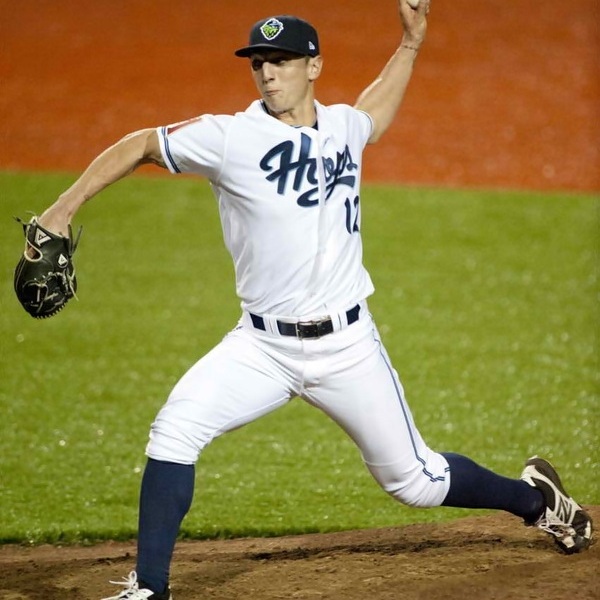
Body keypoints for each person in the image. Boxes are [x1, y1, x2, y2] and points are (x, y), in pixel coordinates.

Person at [34, 2, 592, 599]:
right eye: (258, 63)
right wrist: (60, 210)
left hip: (348, 348)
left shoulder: (342, 127)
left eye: (281, 60)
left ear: (314, 65)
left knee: (416, 481)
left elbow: (372, 113)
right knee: (174, 430)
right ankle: (150, 588)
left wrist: (410, 42)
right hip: (261, 347)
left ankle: (538, 502)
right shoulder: (230, 137)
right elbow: (143, 143)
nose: (268, 73)